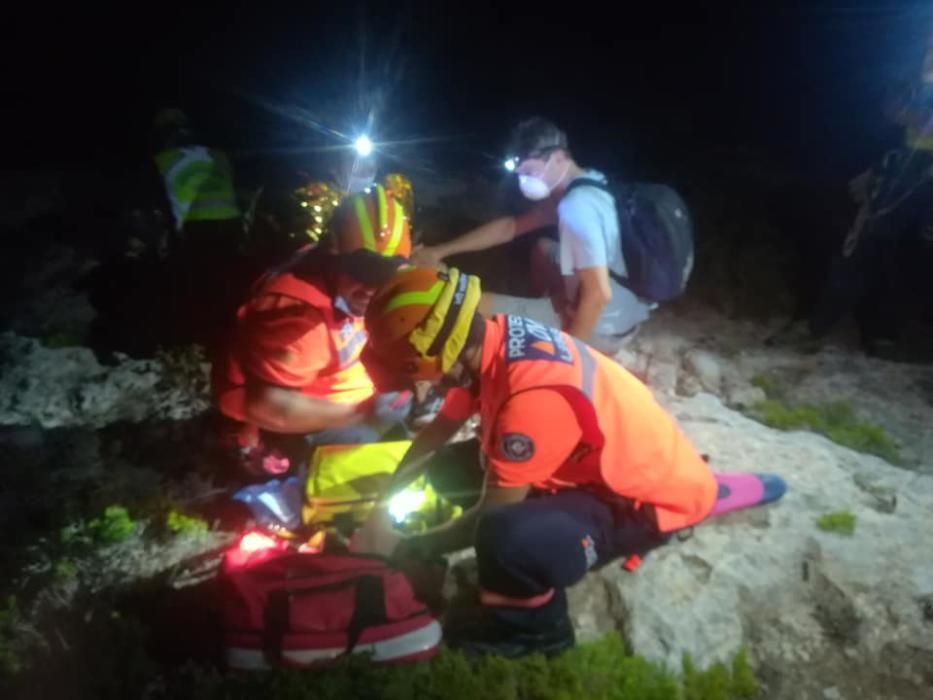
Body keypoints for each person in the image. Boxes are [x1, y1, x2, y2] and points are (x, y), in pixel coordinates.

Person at [357, 266, 717, 657]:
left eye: (414, 374)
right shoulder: (491, 339)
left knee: (505, 539)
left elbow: (490, 517)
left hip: (639, 500)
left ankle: (538, 631)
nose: (418, 387)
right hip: (601, 459)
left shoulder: (528, 398)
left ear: (435, 357)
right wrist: (381, 506)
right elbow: (437, 433)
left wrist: (414, 546)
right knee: (446, 472)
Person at [212, 184, 413, 477]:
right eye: (363, 272)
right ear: (333, 253)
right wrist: (362, 413)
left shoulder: (334, 273)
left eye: (384, 275)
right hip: (285, 418)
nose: (372, 288)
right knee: (373, 461)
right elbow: (267, 404)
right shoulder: (300, 319)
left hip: (325, 387)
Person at [412, 117, 652, 355]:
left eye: (530, 171)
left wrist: (570, 357)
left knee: (470, 306)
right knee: (542, 247)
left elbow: (598, 295)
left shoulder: (577, 206)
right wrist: (440, 251)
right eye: (520, 173)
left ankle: (549, 330)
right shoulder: (589, 181)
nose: (523, 181)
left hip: (603, 327)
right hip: (628, 309)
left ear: (559, 157)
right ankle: (543, 309)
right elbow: (510, 228)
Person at [151, 108, 244, 354]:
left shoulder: (164, 159)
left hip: (197, 228)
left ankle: (203, 340)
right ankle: (231, 337)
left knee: (201, 288)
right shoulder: (217, 155)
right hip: (231, 225)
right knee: (227, 286)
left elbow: (163, 202)